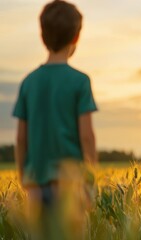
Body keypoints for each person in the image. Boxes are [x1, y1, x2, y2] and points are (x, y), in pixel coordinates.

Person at [12, 0, 97, 238]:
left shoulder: (29, 82)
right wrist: (90, 183)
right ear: (76, 38)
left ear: (43, 37)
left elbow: (20, 139)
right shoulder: (80, 81)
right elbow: (87, 137)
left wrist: (24, 178)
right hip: (70, 188)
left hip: (35, 187)